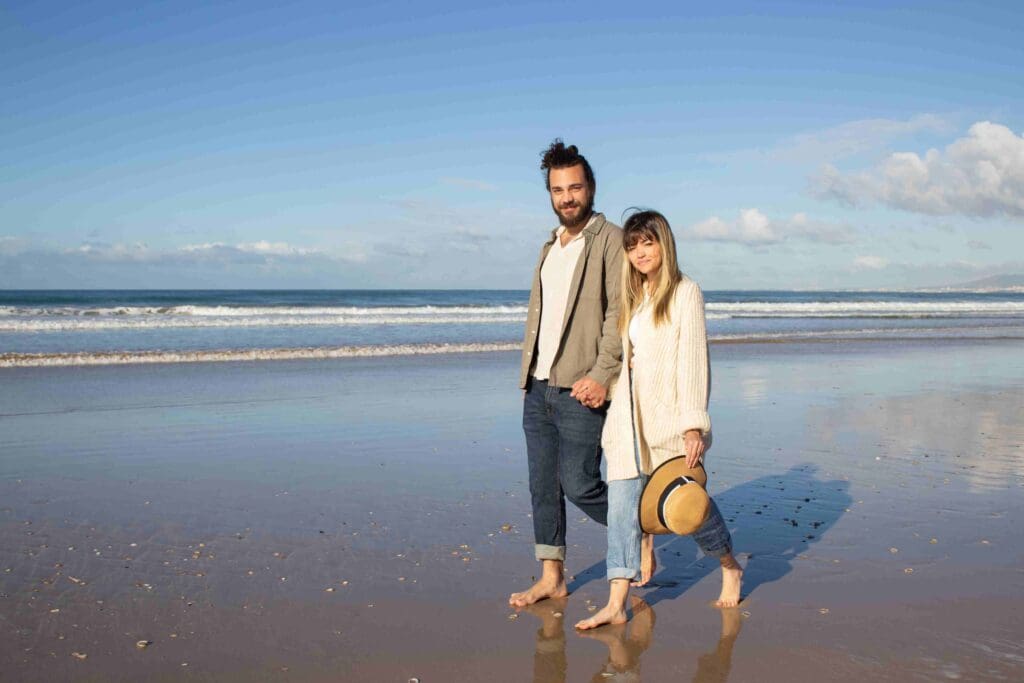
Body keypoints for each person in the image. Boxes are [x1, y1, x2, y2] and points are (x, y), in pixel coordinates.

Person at [575, 209, 742, 630]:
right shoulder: (633, 294)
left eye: (647, 243)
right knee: (621, 509)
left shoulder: (686, 292)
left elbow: (693, 361)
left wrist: (693, 424)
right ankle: (616, 602)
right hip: (629, 423)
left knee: (691, 509)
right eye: (632, 246)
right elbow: (628, 358)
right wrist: (607, 383)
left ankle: (728, 564)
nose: (640, 253)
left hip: (669, 421)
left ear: (663, 243)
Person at [510, 140, 624, 608]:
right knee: (543, 486)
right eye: (558, 190)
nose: (567, 198)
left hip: (581, 386)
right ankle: (552, 576)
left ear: (590, 187)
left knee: (580, 484)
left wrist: (602, 374)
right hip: (538, 386)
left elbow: (619, 314)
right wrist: (528, 377)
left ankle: (636, 530)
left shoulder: (610, 239)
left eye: (574, 187)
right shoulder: (549, 247)